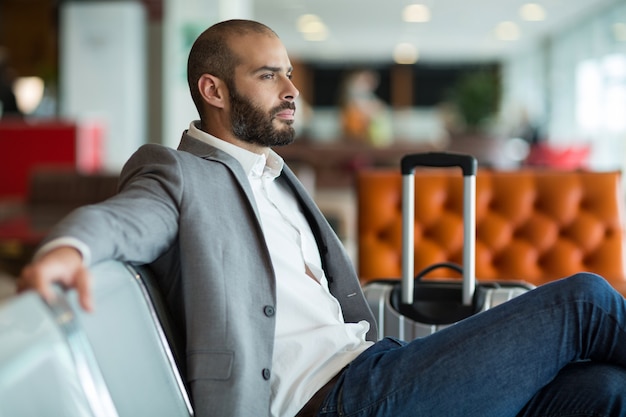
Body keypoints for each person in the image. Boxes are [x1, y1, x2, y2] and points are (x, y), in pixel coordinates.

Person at [18, 19, 626, 417]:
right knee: (587, 302)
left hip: (375, 368)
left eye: (287, 71)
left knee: (602, 392)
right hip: (336, 401)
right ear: (214, 90)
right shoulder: (178, 175)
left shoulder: (282, 177)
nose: (291, 88)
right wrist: (66, 248)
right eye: (267, 75)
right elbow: (126, 219)